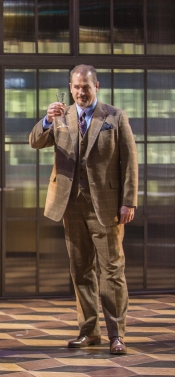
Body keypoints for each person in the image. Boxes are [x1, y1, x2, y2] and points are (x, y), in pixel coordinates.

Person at [29, 64, 138, 355]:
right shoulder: (61, 116)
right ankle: (89, 331)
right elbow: (35, 142)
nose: (81, 92)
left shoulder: (114, 117)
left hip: (107, 207)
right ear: (70, 87)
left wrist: (129, 201)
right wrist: (47, 121)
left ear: (96, 86)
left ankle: (117, 335)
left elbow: (129, 162)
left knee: (112, 271)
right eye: (76, 87)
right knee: (81, 270)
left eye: (86, 86)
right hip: (71, 205)